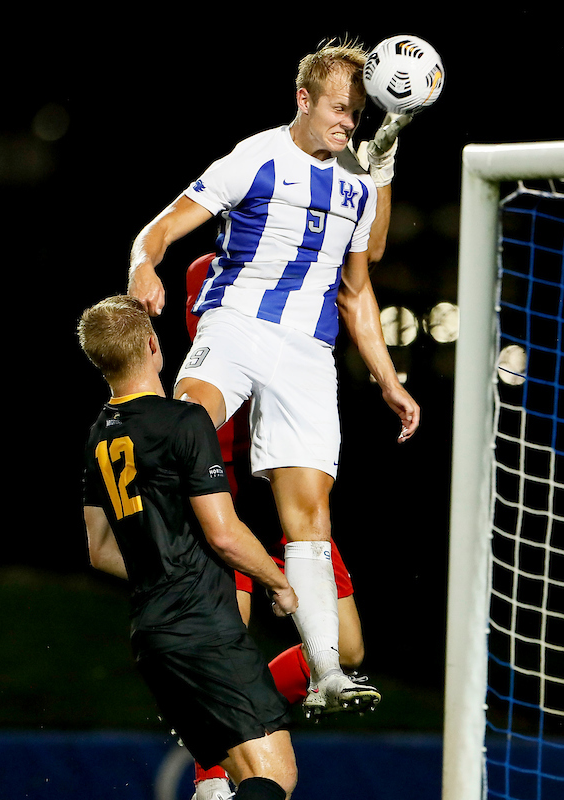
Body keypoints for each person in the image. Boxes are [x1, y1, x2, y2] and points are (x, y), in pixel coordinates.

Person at [126, 37, 418, 724]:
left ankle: (325, 674)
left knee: (310, 516)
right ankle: (170, 605)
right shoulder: (256, 157)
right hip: (234, 325)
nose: (350, 123)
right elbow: (166, 226)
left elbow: (358, 288)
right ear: (304, 99)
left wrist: (387, 377)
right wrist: (145, 264)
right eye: (341, 111)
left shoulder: (354, 181)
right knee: (182, 429)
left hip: (306, 354)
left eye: (359, 114)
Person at [79, 295, 300, 800]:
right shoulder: (184, 420)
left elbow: (99, 549)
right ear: (154, 346)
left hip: (152, 637)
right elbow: (224, 534)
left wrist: (161, 569)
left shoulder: (98, 436)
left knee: (238, 782)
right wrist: (279, 583)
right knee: (275, 777)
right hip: (203, 630)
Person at [184, 253, 372, 800]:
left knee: (348, 649)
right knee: (227, 648)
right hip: (230, 502)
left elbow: (364, 265)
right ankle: (208, 773)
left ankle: (235, 710)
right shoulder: (212, 275)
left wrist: (377, 181)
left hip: (291, 500)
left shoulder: (306, 263)